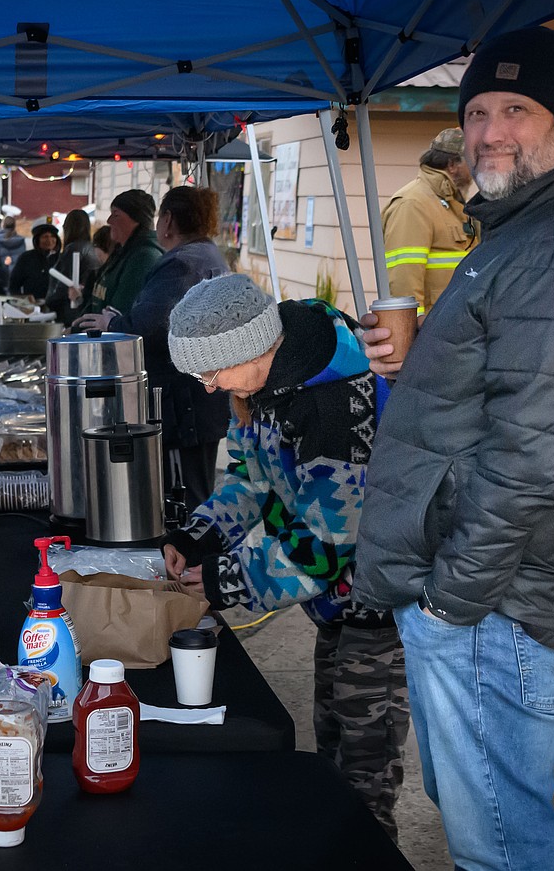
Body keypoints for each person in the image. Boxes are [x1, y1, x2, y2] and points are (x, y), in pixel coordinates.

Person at [352, 27, 554, 871]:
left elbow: (535, 458)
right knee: (478, 814)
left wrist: (452, 601)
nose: (489, 129)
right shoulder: (518, 232)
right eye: (477, 109)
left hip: (492, 603)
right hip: (478, 592)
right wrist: (419, 359)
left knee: (499, 844)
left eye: (515, 108)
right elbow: (504, 401)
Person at [160, 274, 406, 840]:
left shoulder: (334, 407)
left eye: (208, 372)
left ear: (244, 350)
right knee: (330, 744)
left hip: (378, 601)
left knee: (364, 775)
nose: (207, 388)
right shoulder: (258, 385)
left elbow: (325, 543)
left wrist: (227, 579)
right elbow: (251, 479)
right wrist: (199, 535)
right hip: (334, 606)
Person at [77, 187, 231, 509]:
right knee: (195, 494)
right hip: (201, 399)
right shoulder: (207, 254)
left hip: (184, 405)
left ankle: (189, 557)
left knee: (183, 500)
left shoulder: (182, 264)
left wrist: (112, 325)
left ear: (169, 220)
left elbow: (149, 328)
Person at [381, 128, 475, 316]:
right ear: (452, 164)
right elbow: (403, 279)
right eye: (472, 159)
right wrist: (413, 326)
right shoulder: (413, 203)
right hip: (430, 330)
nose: (477, 167)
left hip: (452, 323)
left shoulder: (451, 203)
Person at [83, 190, 163, 315]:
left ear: (135, 219)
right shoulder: (122, 252)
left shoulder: (143, 258)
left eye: (116, 215)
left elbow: (120, 311)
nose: (109, 221)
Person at [44, 209, 100, 325]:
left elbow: (63, 282)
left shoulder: (73, 250)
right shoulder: (92, 249)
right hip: (86, 308)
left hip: (71, 310)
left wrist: (49, 301)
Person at [9, 222, 60, 299]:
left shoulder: (61, 258)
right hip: (34, 306)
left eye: (52, 236)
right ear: (37, 239)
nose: (49, 240)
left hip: (58, 307)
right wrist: (23, 301)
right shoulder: (26, 258)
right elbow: (13, 285)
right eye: (45, 237)